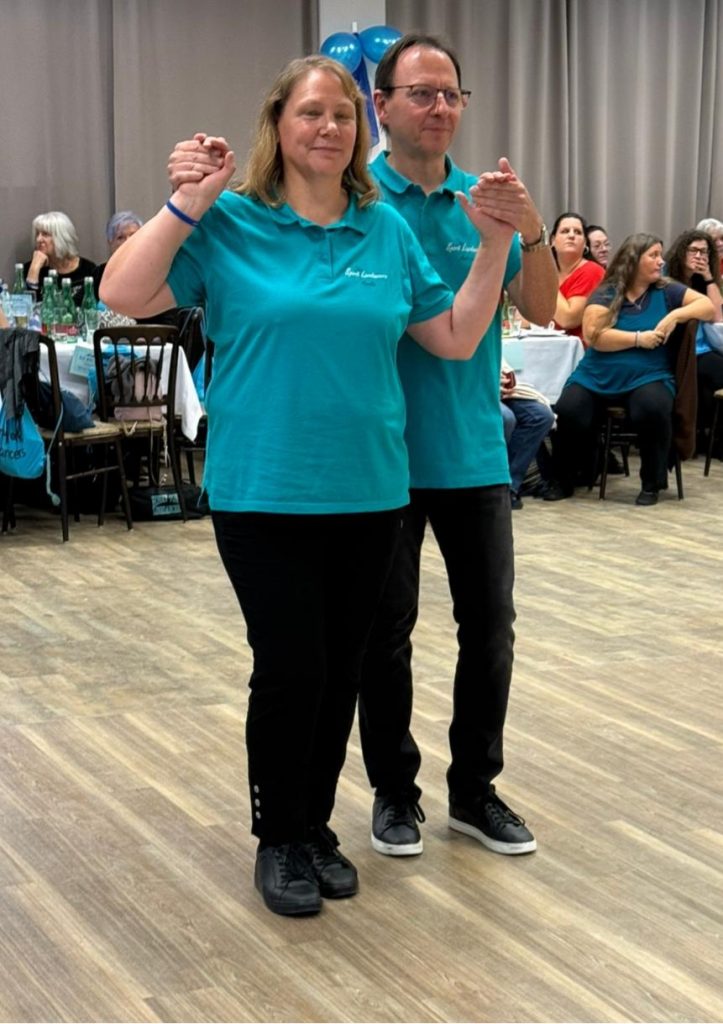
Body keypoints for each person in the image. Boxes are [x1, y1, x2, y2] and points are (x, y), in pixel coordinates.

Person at [103, 54, 519, 917]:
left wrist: (491, 244)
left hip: (371, 492)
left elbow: (451, 336)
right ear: (277, 123)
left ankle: (315, 826)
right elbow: (125, 293)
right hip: (264, 491)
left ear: (359, 129)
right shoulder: (232, 220)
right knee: (291, 667)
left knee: (340, 672)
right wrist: (186, 203)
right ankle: (279, 837)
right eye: (310, 112)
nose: (328, 127)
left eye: (341, 115)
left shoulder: (384, 230)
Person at [356, 33, 557, 860]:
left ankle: (474, 790)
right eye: (421, 93)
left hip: (471, 448)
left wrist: (530, 231)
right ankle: (393, 793)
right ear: (381, 104)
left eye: (451, 95)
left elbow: (542, 309)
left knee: (490, 629)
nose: (439, 108)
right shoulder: (354, 199)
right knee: (383, 635)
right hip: (378, 457)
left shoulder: (485, 198)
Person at [545, 233, 714, 504]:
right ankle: (566, 478)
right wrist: (638, 339)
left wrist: (675, 315)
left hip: (648, 375)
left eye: (660, 255)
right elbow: (594, 335)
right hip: (597, 375)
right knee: (569, 409)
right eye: (653, 255)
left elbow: (708, 307)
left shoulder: (667, 291)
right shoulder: (607, 291)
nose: (661, 261)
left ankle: (652, 483)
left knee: (652, 407)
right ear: (634, 260)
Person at [664, 229, 723, 446]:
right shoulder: (666, 277)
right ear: (682, 251)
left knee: (707, 391)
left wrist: (708, 278)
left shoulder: (702, 281)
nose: (699, 256)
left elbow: (717, 317)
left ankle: (711, 440)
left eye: (704, 252)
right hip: (679, 349)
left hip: (702, 348)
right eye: (694, 251)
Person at [500, 364, 555, 509]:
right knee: (506, 418)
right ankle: (496, 483)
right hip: (474, 387)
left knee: (542, 416)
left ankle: (510, 486)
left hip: (501, 389)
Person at [551, 212, 605, 341]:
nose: (571, 235)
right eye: (565, 231)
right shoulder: (552, 274)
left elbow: (568, 319)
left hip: (578, 349)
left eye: (578, 232)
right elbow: (524, 320)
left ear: (585, 243)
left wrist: (546, 282)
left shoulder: (592, 271)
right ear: (553, 240)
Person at [23, 211, 95, 306]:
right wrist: (34, 269)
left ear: (61, 237)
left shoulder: (88, 269)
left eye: (45, 234)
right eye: (37, 234)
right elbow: (24, 307)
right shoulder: (31, 269)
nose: (38, 239)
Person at [92, 211, 144, 299]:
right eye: (120, 237)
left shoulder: (154, 270)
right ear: (110, 243)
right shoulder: (99, 274)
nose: (128, 241)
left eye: (133, 235)